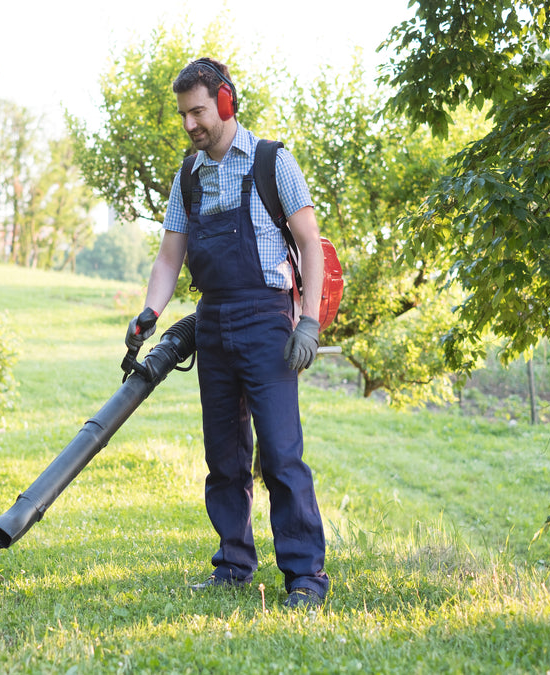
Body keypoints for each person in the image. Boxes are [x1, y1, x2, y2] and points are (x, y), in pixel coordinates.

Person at [126, 57, 329, 609]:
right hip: (213, 322)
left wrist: (308, 321)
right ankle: (234, 565)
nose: (190, 124)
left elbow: (310, 243)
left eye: (197, 111)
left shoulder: (271, 160)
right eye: (183, 115)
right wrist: (150, 312)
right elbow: (170, 256)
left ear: (224, 101)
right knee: (224, 457)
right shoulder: (188, 176)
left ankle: (305, 578)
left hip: (267, 321)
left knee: (280, 455)